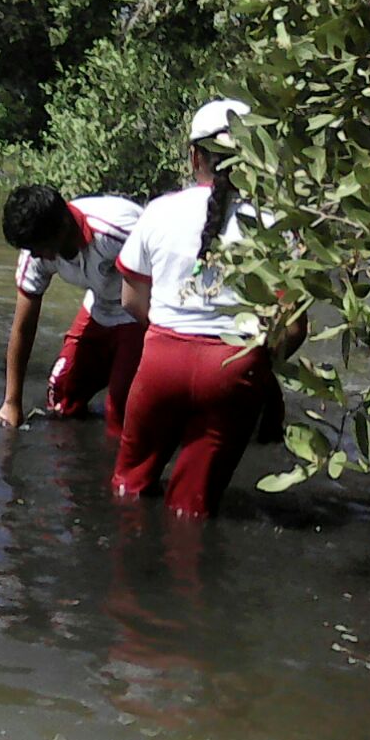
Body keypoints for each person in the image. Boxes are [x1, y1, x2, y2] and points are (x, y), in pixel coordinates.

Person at [111, 98, 307, 517]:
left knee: (129, 485)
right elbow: (294, 327)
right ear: (255, 157)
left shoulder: (158, 211)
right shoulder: (277, 223)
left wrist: (171, 338)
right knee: (192, 508)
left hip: (162, 359)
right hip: (233, 366)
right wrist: (259, 365)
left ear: (194, 155)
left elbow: (130, 299)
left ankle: (123, 572)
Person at [0, 185, 145, 435]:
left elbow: (168, 276)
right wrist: (12, 402)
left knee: (119, 409)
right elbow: (23, 327)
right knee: (62, 395)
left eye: (39, 247)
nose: (34, 255)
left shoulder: (117, 231)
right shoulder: (36, 251)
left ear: (63, 227)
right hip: (100, 305)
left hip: (140, 311)